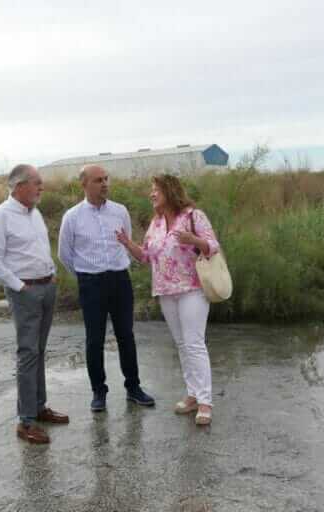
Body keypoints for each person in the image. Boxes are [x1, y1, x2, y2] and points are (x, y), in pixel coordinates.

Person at [116, 174, 220, 425]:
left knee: (194, 343)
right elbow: (146, 256)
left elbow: (213, 246)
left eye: (156, 190)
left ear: (169, 191)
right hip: (165, 290)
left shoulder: (193, 215)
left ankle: (205, 402)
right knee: (182, 344)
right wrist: (128, 244)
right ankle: (193, 395)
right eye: (151, 190)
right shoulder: (156, 223)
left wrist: (193, 240)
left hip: (192, 288)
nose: (152, 194)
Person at [0, 164, 69, 445]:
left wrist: (52, 275)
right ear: (18, 186)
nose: (41, 187)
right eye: (36, 183)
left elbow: (37, 250)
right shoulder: (0, 216)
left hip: (46, 286)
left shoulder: (35, 213)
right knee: (28, 352)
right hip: (25, 291)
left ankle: (39, 407)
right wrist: (20, 286)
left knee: (39, 350)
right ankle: (26, 421)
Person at [58, 164, 155, 412]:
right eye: (98, 180)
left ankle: (133, 387)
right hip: (91, 283)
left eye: (106, 179)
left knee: (126, 335)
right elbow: (65, 254)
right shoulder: (72, 217)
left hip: (120, 280)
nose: (104, 184)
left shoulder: (120, 211)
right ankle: (98, 392)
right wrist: (85, 275)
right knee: (94, 339)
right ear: (84, 185)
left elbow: (127, 242)